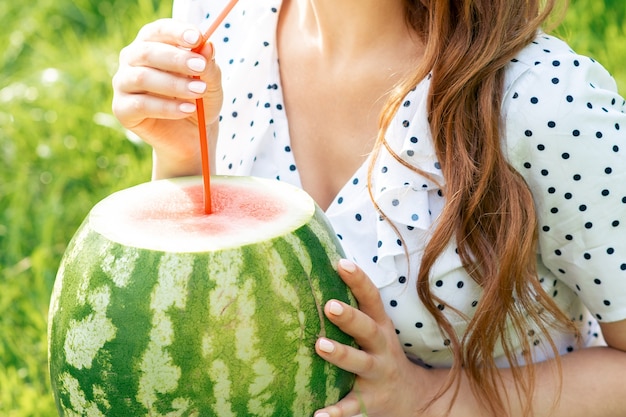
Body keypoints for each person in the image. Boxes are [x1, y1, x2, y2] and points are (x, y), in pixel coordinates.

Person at [112, 0, 626, 415]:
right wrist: (182, 154)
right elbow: (197, 306)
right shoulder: (211, 22)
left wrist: (432, 398)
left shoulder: (544, 101)